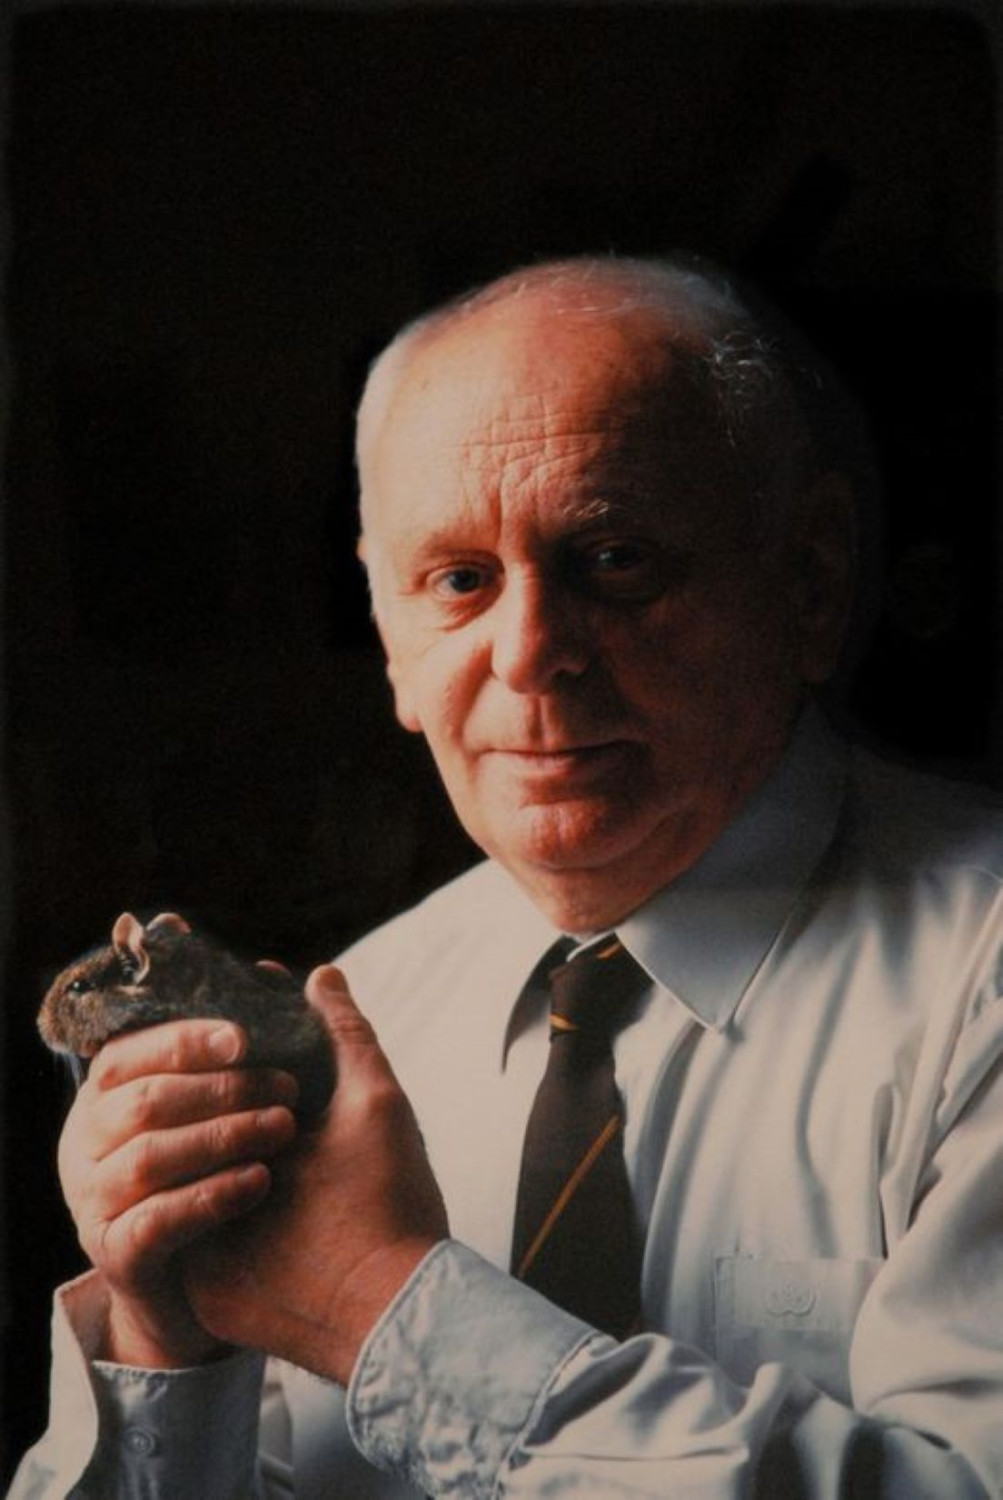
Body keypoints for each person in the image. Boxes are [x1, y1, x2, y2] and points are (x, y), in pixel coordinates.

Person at [11, 256, 1003, 1499]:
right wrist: (170, 1349)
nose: (529, 653)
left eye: (615, 559)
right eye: (459, 581)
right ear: (390, 638)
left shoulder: (981, 984)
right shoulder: (366, 1010)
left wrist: (379, 1308)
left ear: (808, 578)